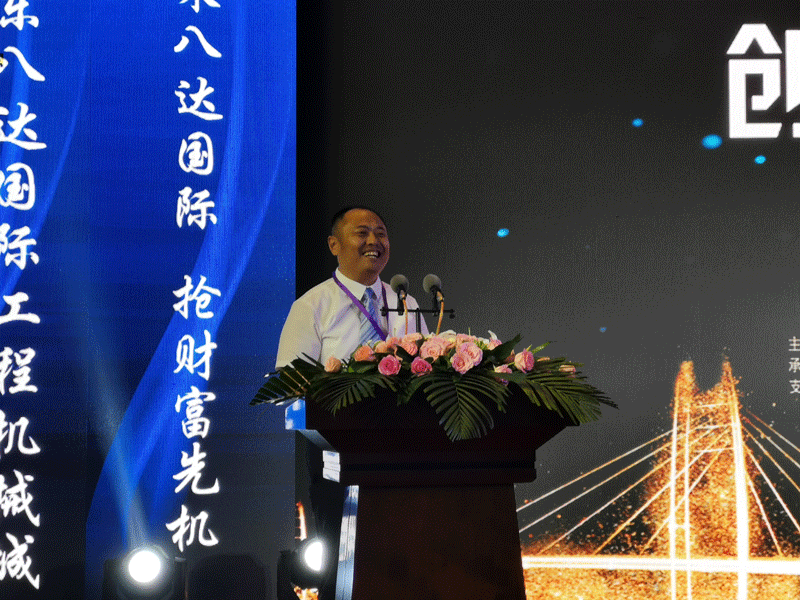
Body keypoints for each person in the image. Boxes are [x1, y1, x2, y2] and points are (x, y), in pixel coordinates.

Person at [276, 206, 427, 368]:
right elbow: (293, 378)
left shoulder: (406, 303)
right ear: (334, 245)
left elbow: (426, 368)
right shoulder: (310, 306)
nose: (373, 241)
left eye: (380, 234)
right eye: (362, 233)